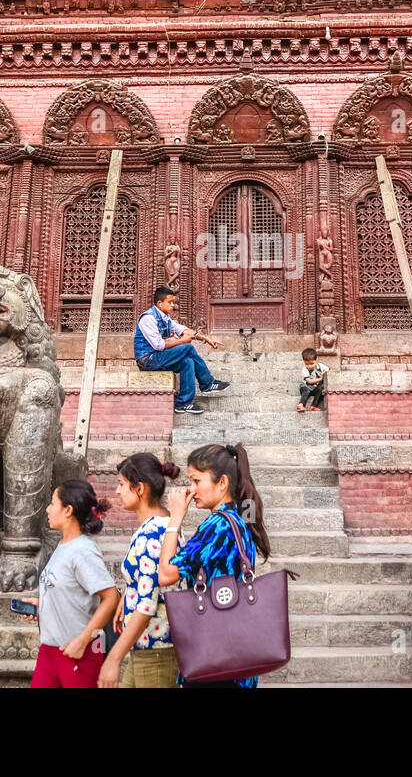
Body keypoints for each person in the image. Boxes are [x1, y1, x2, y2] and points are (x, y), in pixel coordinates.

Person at [157, 443, 270, 688]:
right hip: (239, 655)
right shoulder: (241, 517)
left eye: (197, 481)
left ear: (222, 483)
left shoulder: (217, 526)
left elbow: (166, 574)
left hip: (213, 659)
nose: (191, 489)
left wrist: (175, 518)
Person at [17, 479, 121, 688]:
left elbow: (111, 598)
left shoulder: (83, 550)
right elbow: (69, 592)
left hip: (79, 653)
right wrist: (43, 606)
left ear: (68, 510)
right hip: (49, 650)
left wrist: (82, 640)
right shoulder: (62, 545)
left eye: (52, 503)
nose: (48, 509)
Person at [99, 452, 183, 689]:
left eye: (121, 484)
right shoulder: (162, 526)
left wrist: (113, 659)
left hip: (156, 652)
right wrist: (128, 595)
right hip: (148, 648)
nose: (118, 491)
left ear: (140, 489)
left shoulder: (153, 534)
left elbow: (146, 606)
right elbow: (149, 582)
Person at [135, 286, 229, 415]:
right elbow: (158, 345)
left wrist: (205, 338)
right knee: (188, 347)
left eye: (173, 302)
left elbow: (183, 330)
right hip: (147, 360)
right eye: (169, 302)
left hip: (159, 357)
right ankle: (207, 383)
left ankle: (183, 403)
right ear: (160, 303)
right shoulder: (148, 318)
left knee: (187, 362)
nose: (173, 305)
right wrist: (183, 341)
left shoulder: (166, 319)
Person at [298, 346, 328, 412]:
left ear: (316, 361)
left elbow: (328, 370)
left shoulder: (320, 366)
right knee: (306, 390)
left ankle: (314, 406)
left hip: (315, 388)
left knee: (321, 388)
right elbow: (309, 381)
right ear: (304, 362)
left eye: (312, 364)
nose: (309, 366)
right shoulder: (304, 370)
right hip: (306, 386)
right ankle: (301, 405)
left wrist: (323, 373)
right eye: (307, 364)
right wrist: (320, 379)